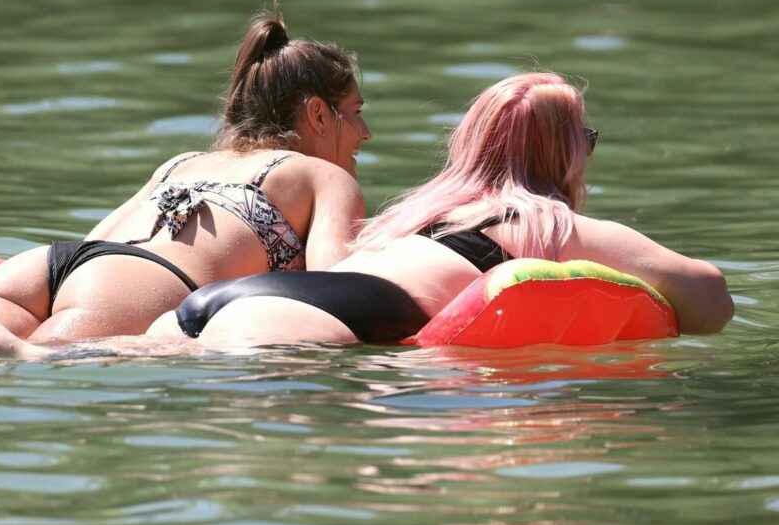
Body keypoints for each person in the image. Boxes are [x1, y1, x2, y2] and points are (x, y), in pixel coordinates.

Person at [0, 4, 372, 358]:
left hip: (49, 266)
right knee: (47, 360)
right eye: (355, 112)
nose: (365, 133)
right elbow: (340, 287)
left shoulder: (184, 161)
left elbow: (97, 243)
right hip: (140, 284)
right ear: (317, 114)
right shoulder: (324, 175)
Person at [162, 71, 734, 347]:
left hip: (219, 303)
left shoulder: (416, 217)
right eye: (586, 140)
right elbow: (713, 301)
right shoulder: (550, 225)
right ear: (564, 152)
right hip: (305, 322)